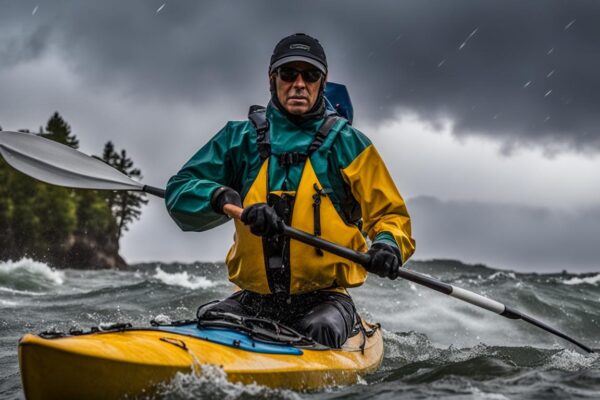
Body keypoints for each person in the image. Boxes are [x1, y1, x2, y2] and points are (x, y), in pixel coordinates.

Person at [165, 33, 415, 348]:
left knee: (320, 328)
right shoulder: (238, 139)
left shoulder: (348, 144)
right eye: (288, 74)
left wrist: (387, 246)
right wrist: (223, 198)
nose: (299, 83)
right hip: (253, 299)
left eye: (310, 75)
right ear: (273, 79)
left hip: (324, 302)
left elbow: (390, 214)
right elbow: (179, 190)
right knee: (212, 317)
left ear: (322, 83)